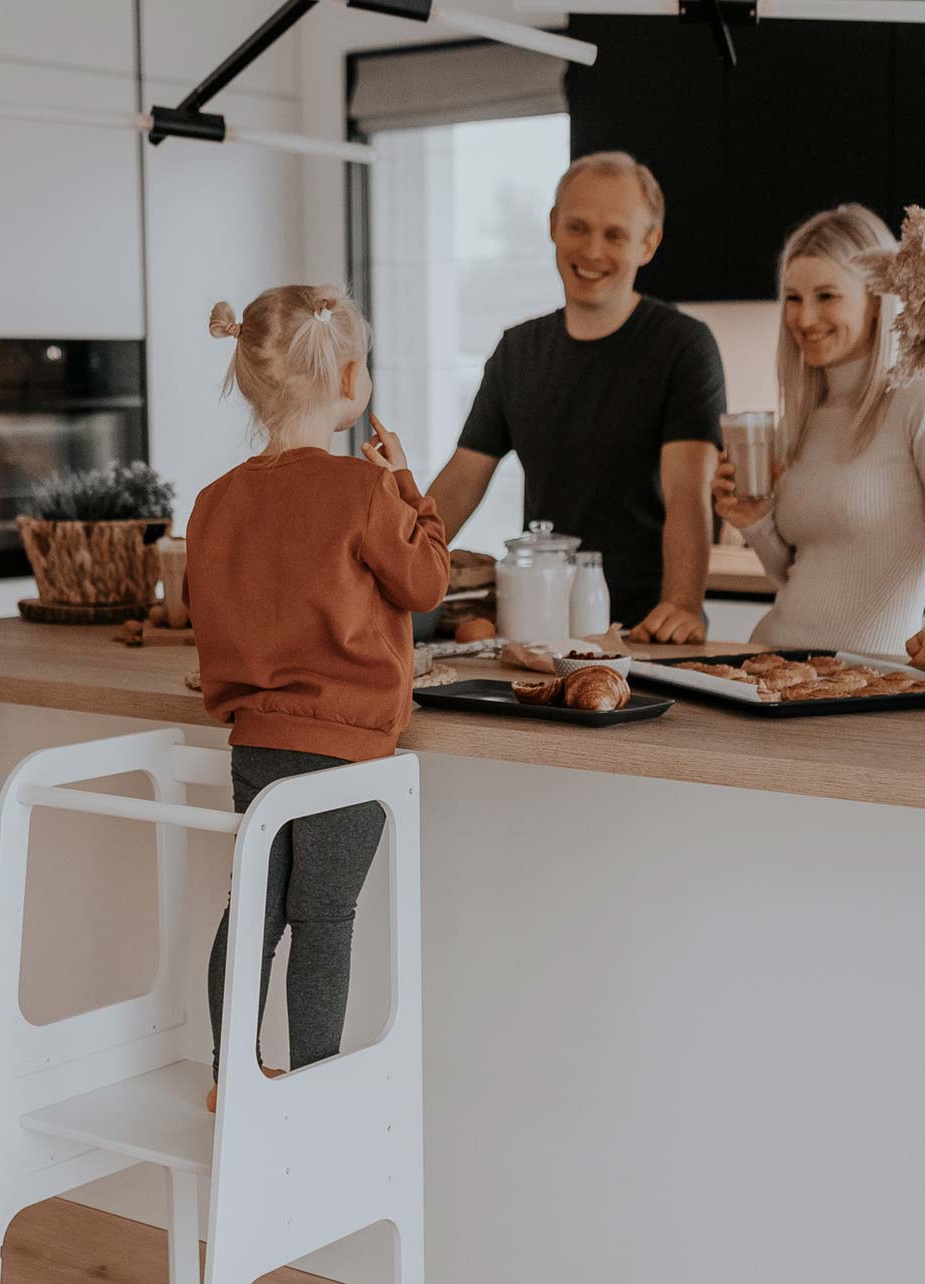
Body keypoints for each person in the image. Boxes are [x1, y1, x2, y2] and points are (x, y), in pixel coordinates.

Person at [186, 285, 450, 1112]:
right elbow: (428, 581)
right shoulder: (363, 491)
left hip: (255, 741)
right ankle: (311, 1086)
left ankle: (232, 1076)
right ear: (347, 377)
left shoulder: (214, 501)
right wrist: (405, 481)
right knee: (325, 916)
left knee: (254, 908)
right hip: (348, 749)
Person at [425, 151, 725, 643]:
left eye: (615, 234)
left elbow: (687, 496)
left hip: (645, 632)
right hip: (534, 629)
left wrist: (682, 605)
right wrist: (383, 572)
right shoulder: (517, 351)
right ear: (552, 226)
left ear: (648, 244)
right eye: (578, 227)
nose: (592, 250)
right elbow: (459, 484)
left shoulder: (684, 347)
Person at [711, 205, 925, 672]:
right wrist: (756, 521)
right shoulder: (803, 417)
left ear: (878, 298)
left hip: (866, 679)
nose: (804, 317)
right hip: (769, 665)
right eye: (793, 298)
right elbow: (798, 575)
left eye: (827, 296)